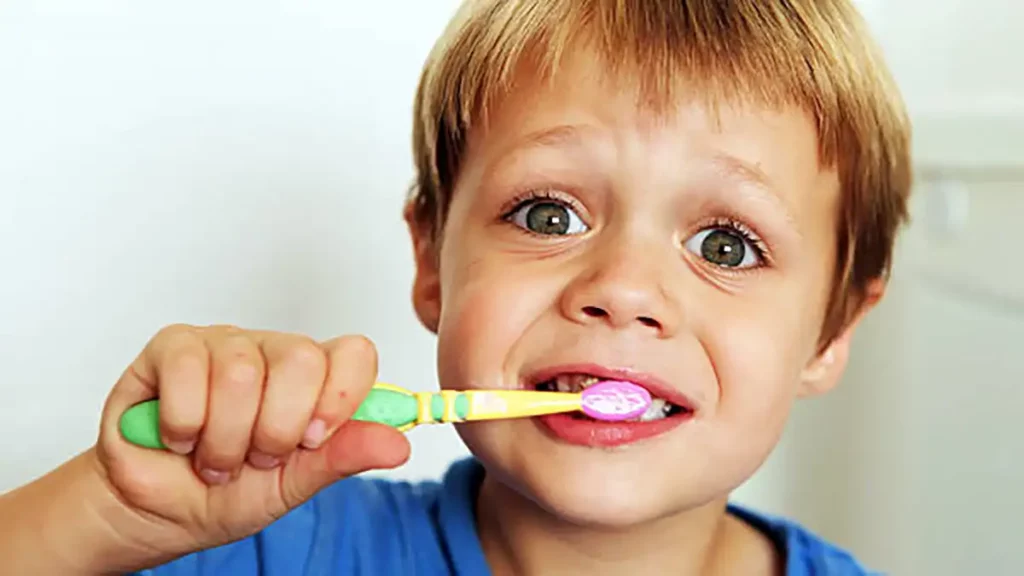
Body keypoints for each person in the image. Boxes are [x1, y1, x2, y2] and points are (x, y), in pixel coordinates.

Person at [0, 0, 911, 574]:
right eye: (549, 216)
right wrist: (112, 517)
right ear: (433, 260)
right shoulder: (265, 545)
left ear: (831, 332)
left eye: (726, 243)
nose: (624, 290)